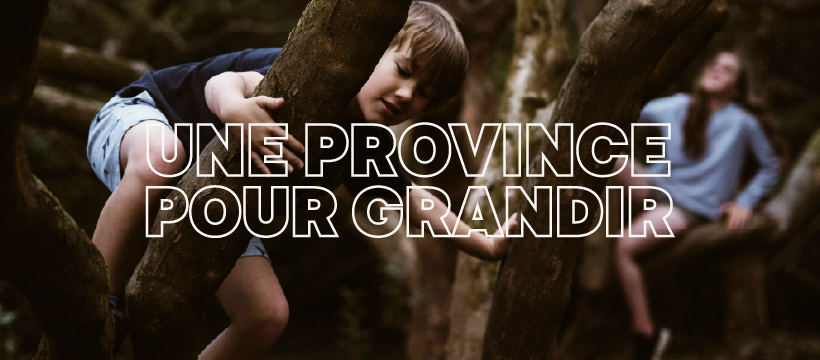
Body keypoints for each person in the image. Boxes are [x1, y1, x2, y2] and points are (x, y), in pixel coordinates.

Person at [87, 1, 518, 358]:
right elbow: (224, 83)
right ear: (371, 50)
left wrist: (486, 244)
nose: (408, 95)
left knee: (266, 316)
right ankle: (93, 301)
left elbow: (414, 200)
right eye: (404, 70)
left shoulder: (364, 144)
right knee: (163, 159)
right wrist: (237, 112)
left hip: (213, 205)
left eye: (425, 93)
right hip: (145, 120)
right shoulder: (309, 73)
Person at [613, 51, 782, 360]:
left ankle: (645, 333)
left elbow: (771, 166)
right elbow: (625, 113)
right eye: (714, 64)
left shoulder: (742, 123)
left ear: (736, 88)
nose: (716, 70)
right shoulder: (677, 105)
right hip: (654, 187)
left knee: (625, 247)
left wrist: (745, 202)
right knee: (605, 149)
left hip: (687, 208)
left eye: (727, 70)